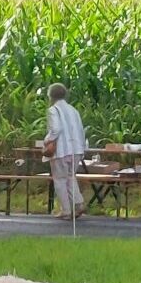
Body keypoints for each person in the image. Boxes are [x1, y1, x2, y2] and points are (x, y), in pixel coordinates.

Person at [42, 83, 87, 219]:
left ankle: (66, 210)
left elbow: (56, 129)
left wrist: (47, 140)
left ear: (51, 96)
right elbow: (81, 130)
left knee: (60, 180)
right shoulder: (74, 110)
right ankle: (78, 203)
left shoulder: (53, 110)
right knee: (70, 177)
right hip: (77, 149)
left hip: (62, 150)